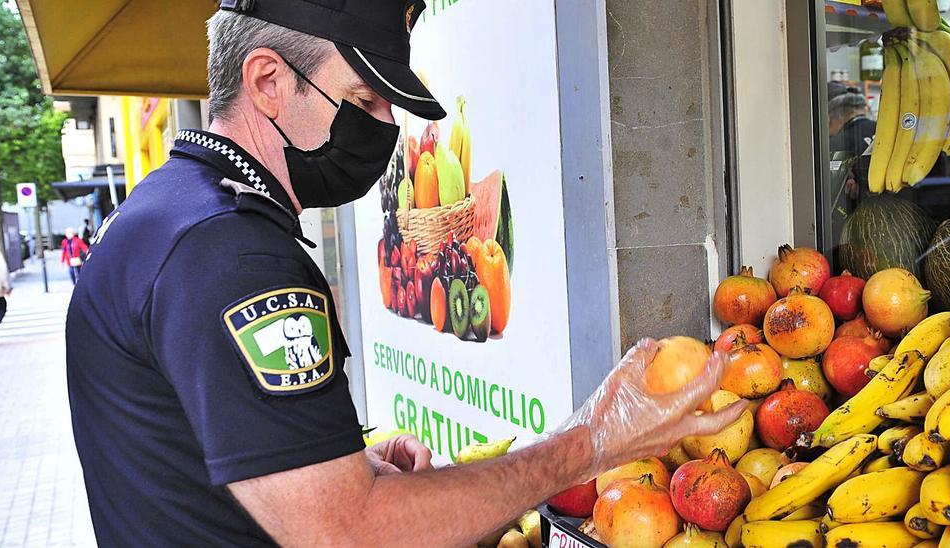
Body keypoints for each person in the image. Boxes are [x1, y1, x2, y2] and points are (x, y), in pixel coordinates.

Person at [64, 1, 747, 545]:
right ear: (267, 81)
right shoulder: (235, 256)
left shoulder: (163, 215)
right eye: (364, 100)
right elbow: (350, 533)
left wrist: (336, 461)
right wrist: (590, 444)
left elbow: (186, 457)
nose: (386, 126)